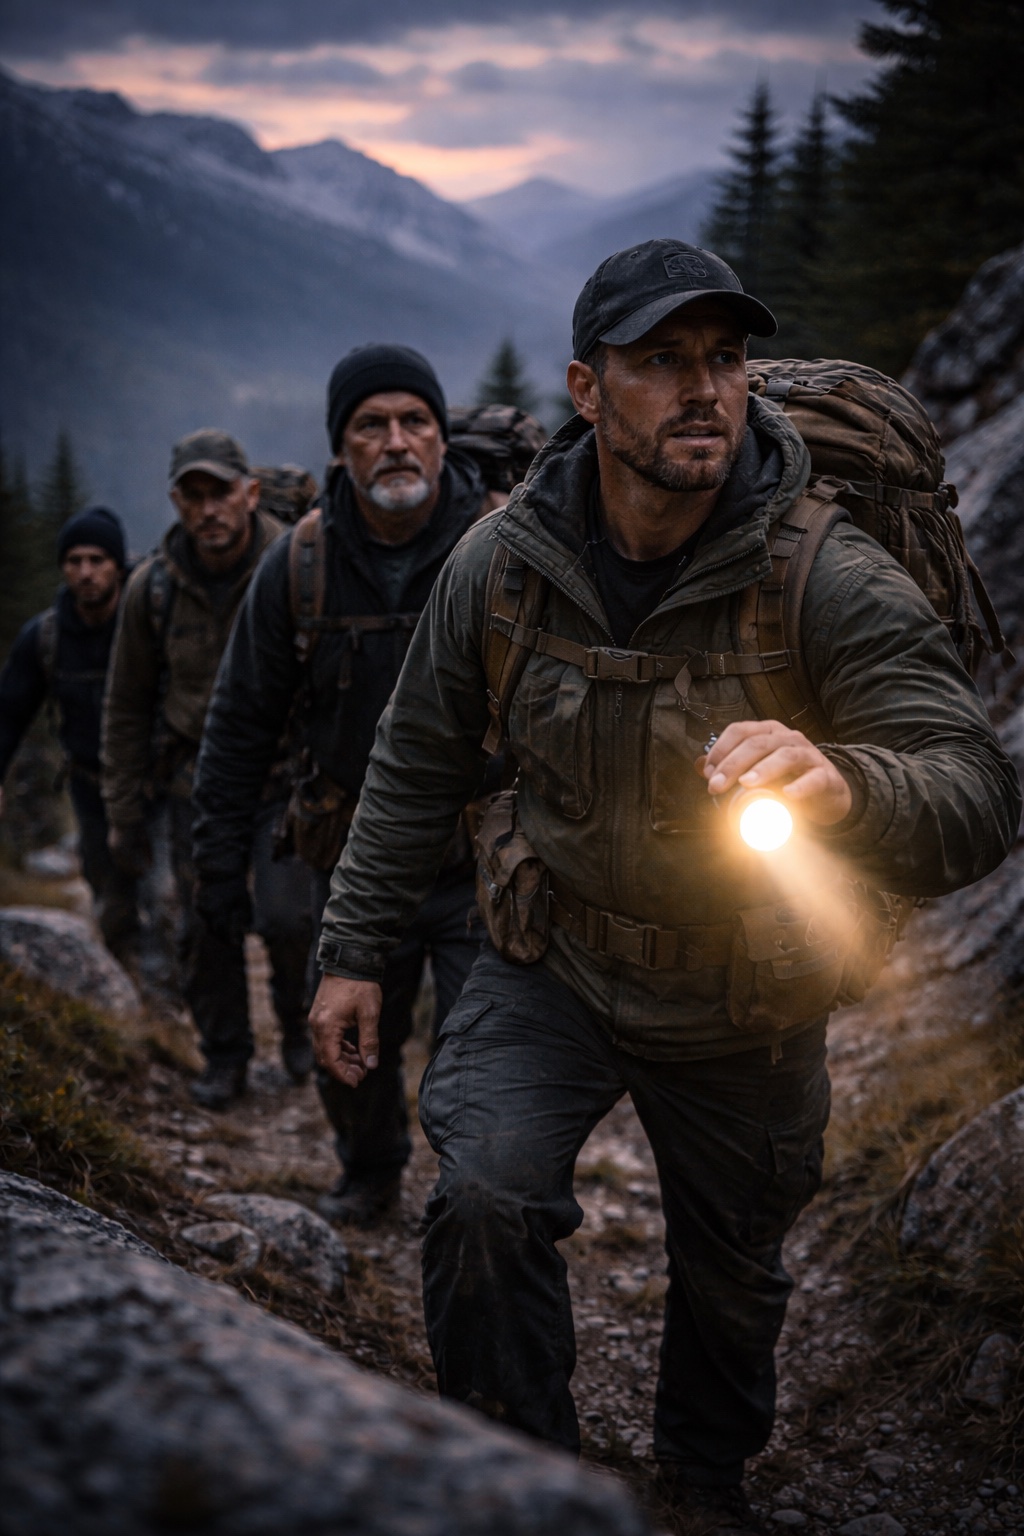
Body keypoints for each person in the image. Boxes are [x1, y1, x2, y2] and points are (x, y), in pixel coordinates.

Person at [307, 242, 1022, 1532]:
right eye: (661, 362)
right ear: (588, 389)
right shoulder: (502, 562)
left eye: (725, 359)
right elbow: (414, 760)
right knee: (478, 1202)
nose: (704, 391)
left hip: (745, 989)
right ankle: (524, 1479)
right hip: (554, 962)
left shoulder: (822, 576)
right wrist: (351, 949)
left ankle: (701, 1476)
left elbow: (976, 788)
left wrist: (849, 782)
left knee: (734, 1278)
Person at [192, 346, 492, 1226]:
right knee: (349, 1044)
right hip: (355, 865)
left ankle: (478, 1202)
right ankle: (369, 1171)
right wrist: (218, 870)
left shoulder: (506, 545)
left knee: (485, 1052)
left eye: (415, 422)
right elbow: (241, 721)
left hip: (486, 861)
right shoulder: (299, 567)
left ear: (441, 439)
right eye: (371, 425)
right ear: (339, 450)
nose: (396, 441)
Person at [102, 429, 313, 1109]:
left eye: (220, 492)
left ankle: (299, 1031)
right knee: (205, 923)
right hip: (197, 786)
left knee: (289, 919)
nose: (208, 509)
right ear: (176, 502)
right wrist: (124, 813)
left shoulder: (296, 564)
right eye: (193, 496)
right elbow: (127, 704)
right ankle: (226, 1057)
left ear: (249, 493)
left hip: (285, 782)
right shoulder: (153, 590)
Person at [0, 506, 142, 960]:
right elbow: (8, 713)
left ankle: (179, 1002)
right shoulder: (44, 638)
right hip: (90, 786)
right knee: (111, 900)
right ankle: (140, 1003)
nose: (85, 572)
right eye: (74, 561)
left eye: (97, 560)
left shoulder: (149, 625)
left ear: (117, 564)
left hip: (156, 783)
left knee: (172, 895)